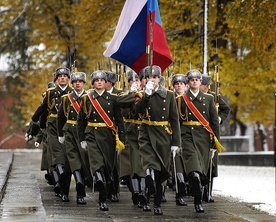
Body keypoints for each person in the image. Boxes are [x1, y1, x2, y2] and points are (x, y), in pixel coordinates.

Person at [133, 65, 181, 215]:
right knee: (149, 163)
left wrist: (176, 143)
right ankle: (149, 180)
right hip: (146, 133)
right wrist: (146, 95)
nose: (151, 80)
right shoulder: (142, 94)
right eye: (148, 77)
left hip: (163, 136)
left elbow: (175, 120)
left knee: (161, 173)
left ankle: (157, 203)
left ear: (159, 79)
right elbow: (137, 111)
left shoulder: (169, 95)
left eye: (154, 77)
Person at [77, 70, 125, 211]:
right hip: (91, 134)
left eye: (102, 80)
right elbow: (81, 120)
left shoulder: (113, 98)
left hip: (108, 136)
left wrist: (121, 139)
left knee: (108, 168)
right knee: (97, 164)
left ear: (106, 83)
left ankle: (106, 186)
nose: (99, 82)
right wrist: (82, 139)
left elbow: (119, 120)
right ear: (92, 83)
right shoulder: (87, 98)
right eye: (96, 80)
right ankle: (101, 194)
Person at [176, 69, 220, 213]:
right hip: (187, 137)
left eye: (197, 79)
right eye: (192, 79)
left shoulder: (208, 99)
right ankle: (197, 201)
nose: (194, 81)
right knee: (194, 170)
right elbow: (176, 122)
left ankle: (199, 193)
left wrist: (215, 144)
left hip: (204, 139)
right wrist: (176, 142)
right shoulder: (181, 99)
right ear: (188, 83)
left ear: (200, 82)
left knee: (201, 171)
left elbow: (214, 122)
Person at [32, 67, 73, 202]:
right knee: (57, 154)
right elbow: (43, 108)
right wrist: (36, 120)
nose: (62, 78)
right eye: (60, 76)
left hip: (68, 126)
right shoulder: (50, 93)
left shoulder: (73, 93)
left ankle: (64, 188)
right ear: (56, 79)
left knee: (68, 157)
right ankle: (60, 177)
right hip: (53, 126)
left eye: (65, 76)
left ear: (69, 79)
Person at [117, 69, 151, 212]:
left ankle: (143, 193)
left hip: (145, 132)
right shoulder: (126, 95)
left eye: (139, 79)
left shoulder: (149, 93)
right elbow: (123, 111)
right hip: (130, 132)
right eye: (134, 79)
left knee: (143, 165)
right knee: (131, 166)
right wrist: (132, 94)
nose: (137, 82)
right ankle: (135, 192)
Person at [57, 72, 90, 204]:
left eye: (80, 81)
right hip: (70, 132)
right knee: (73, 159)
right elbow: (60, 117)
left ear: (84, 83)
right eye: (75, 81)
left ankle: (65, 191)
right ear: (72, 84)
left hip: (83, 133)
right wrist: (60, 134)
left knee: (76, 164)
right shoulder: (66, 99)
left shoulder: (89, 97)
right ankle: (80, 192)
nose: (77, 83)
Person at [200, 74, 230, 202]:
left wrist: (219, 118)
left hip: (212, 132)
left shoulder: (214, 96)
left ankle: (208, 192)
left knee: (211, 165)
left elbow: (225, 109)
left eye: (201, 84)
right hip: (198, 131)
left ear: (206, 86)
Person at [170, 74, 188, 206]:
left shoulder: (189, 99)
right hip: (174, 135)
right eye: (176, 83)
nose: (179, 85)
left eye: (181, 83)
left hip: (188, 136)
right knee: (177, 166)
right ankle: (179, 193)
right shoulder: (171, 99)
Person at [105, 70, 122, 202]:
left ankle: (114, 189)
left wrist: (121, 136)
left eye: (103, 81)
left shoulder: (118, 94)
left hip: (114, 132)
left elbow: (120, 118)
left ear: (109, 83)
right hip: (100, 132)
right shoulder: (95, 95)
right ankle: (106, 187)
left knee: (114, 164)